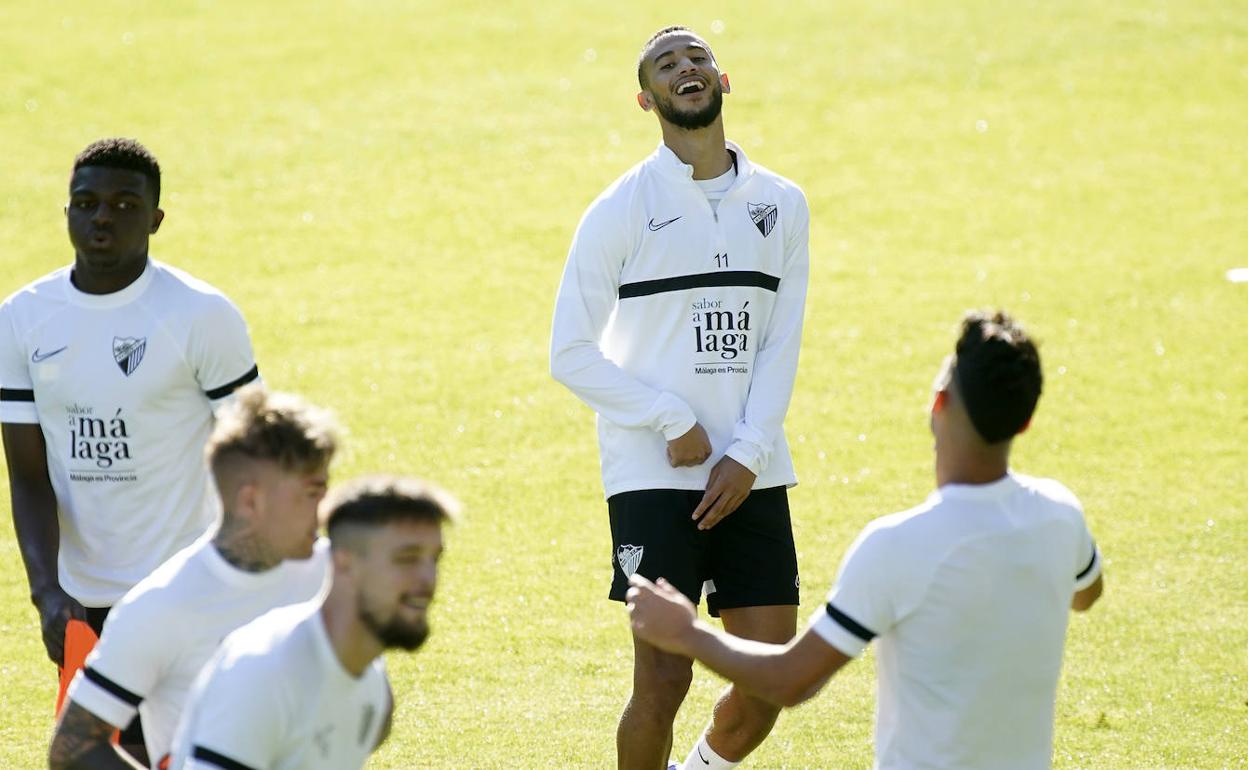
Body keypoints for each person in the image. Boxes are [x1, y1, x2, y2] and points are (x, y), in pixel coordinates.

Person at [627, 310, 1105, 770]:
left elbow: (791, 681)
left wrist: (687, 633)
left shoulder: (897, 546)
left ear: (938, 403)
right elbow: (1087, 592)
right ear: (1024, 421)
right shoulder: (1061, 517)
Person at [550, 25, 811, 770]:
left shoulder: (783, 205)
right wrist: (670, 418)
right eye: (666, 64)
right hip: (653, 475)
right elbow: (568, 353)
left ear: (722, 81)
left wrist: (749, 452)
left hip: (752, 466)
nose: (685, 68)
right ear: (647, 98)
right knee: (663, 681)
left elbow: (780, 343)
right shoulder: (619, 210)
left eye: (697, 58)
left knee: (768, 681)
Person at [0, 138, 261, 727]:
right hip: (80, 602)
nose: (101, 218)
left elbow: (258, 455)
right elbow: (27, 473)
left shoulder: (200, 315)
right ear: (66, 211)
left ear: (155, 219)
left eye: (123, 205)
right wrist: (46, 593)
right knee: (92, 756)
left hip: (185, 588)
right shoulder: (21, 318)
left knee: (191, 750)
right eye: (86, 203)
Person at [47, 386, 337, 769]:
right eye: (311, 495)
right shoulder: (160, 606)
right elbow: (73, 746)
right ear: (251, 501)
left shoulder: (333, 574)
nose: (323, 512)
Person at [167, 474, 459, 770]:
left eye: (434, 559)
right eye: (406, 559)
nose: (428, 579)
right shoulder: (265, 670)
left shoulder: (368, 680)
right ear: (345, 562)